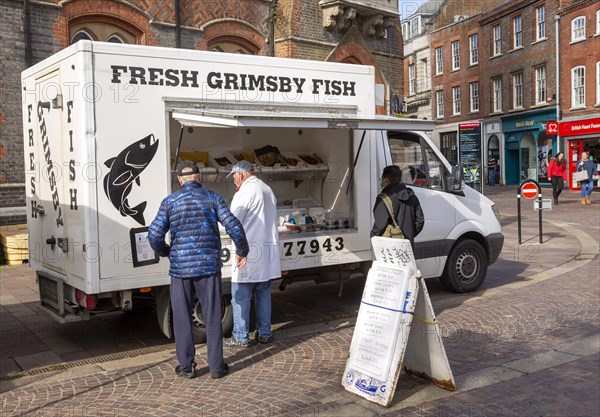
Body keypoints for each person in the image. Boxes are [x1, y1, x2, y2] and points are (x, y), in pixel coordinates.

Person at [148, 164, 249, 379]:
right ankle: (216, 367)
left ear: (180, 180)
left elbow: (154, 234)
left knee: (182, 317)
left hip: (180, 270)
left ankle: (187, 367)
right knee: (212, 316)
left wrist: (167, 252)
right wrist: (242, 250)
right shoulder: (212, 197)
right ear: (200, 177)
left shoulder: (170, 202)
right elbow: (234, 225)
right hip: (208, 268)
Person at [224, 160, 281, 348]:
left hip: (248, 252)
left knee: (241, 296)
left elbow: (231, 223)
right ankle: (264, 333)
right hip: (266, 253)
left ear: (241, 174)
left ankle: (240, 336)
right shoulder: (267, 189)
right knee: (264, 294)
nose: (233, 180)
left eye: (234, 176)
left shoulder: (245, 193)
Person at [371, 165, 424, 250]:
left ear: (387, 180)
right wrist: (409, 234)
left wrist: (373, 237)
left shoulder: (383, 198)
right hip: (408, 246)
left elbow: (380, 225)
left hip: (390, 248)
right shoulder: (411, 195)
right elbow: (420, 221)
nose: (382, 182)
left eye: (382, 179)